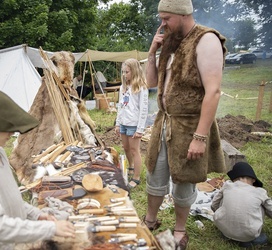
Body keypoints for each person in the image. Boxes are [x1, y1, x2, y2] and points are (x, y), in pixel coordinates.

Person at [143, 0, 227, 249]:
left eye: (166, 18)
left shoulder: (206, 40)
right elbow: (150, 84)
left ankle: (180, 230)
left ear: (183, 15)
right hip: (164, 123)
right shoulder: (170, 42)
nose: (162, 24)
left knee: (184, 180)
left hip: (190, 126)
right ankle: (150, 220)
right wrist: (151, 54)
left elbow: (213, 92)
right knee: (155, 175)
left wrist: (199, 137)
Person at [0, 88, 76, 249]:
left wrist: (37, 215)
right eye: (6, 126)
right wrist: (50, 229)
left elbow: (11, 199)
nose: (13, 132)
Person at [211, 162, 272, 248]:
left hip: (224, 230)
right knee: (261, 204)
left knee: (224, 199)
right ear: (253, 180)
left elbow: (214, 205)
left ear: (234, 179)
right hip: (249, 235)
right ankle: (246, 240)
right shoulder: (260, 192)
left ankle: (229, 232)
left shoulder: (227, 185)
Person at [114, 58, 148, 189]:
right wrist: (117, 124)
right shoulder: (123, 87)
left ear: (134, 71)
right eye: (123, 72)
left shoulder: (141, 87)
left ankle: (137, 177)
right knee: (126, 148)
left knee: (135, 150)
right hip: (123, 123)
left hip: (134, 124)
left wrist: (140, 129)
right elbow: (120, 106)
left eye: (126, 72)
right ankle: (131, 166)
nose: (124, 75)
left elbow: (143, 110)